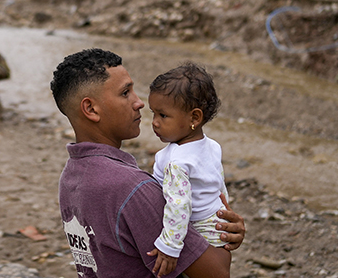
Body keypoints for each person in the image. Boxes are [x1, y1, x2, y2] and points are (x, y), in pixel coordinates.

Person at [51, 49, 244, 278]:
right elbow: (217, 273)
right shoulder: (133, 189)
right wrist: (220, 236)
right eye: (125, 93)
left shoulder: (70, 177)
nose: (139, 103)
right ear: (91, 109)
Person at [148, 63, 230, 277]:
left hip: (196, 228)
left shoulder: (176, 162)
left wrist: (169, 247)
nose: (154, 123)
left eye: (163, 115)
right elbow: (218, 184)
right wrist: (226, 215)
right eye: (153, 113)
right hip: (216, 225)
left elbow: (179, 205)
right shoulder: (212, 145)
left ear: (194, 118)